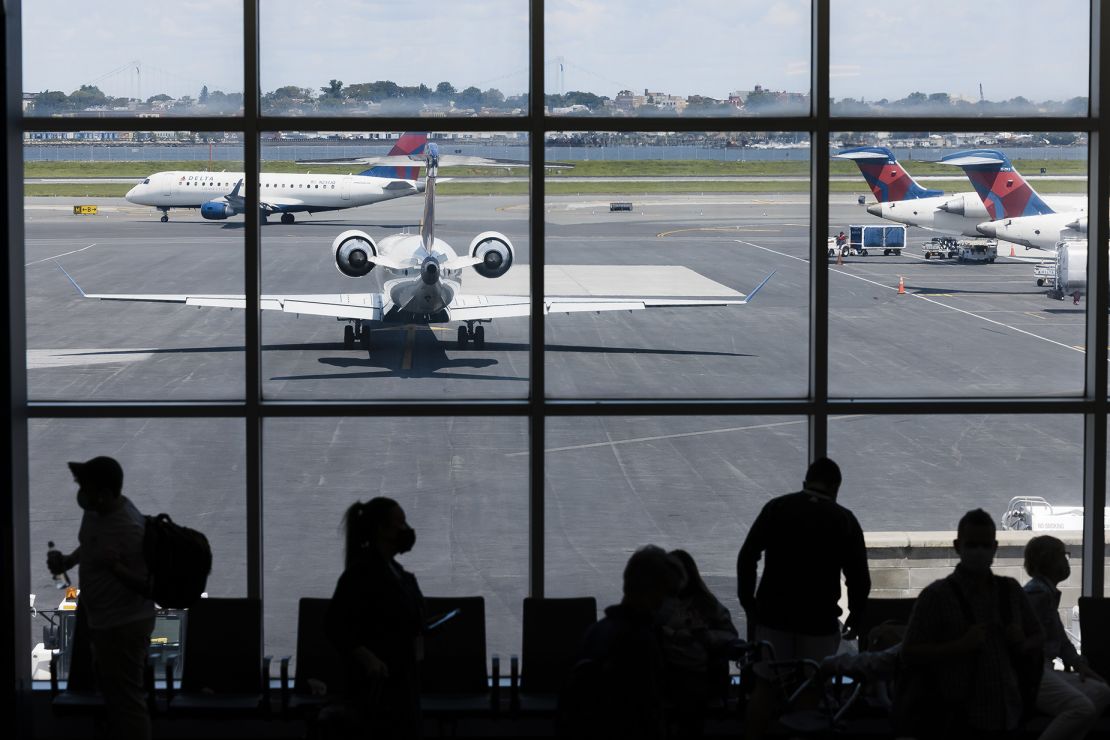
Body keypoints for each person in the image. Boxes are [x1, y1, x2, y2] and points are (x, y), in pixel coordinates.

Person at [736, 457, 870, 740]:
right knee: (809, 688)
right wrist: (856, 616)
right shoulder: (844, 519)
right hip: (818, 620)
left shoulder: (777, 508)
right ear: (836, 487)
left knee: (765, 685)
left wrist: (749, 603)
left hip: (773, 615)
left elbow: (748, 556)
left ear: (805, 482)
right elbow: (859, 577)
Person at [895, 508, 1043, 740]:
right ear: (958, 546)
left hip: (1007, 712)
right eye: (973, 545)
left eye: (984, 545)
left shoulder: (1010, 590)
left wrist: (1022, 642)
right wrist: (960, 646)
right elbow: (909, 653)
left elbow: (1038, 636)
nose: (979, 552)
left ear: (994, 548)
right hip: (962, 718)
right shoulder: (936, 597)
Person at [46, 456, 155, 740]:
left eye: (85, 487)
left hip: (124, 626)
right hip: (102, 623)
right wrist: (68, 561)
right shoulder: (97, 511)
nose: (81, 493)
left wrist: (115, 568)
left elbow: (147, 586)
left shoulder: (129, 528)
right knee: (115, 700)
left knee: (128, 704)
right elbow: (90, 544)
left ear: (104, 494)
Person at [325, 498, 425, 740]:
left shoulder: (397, 573)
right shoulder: (360, 575)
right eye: (400, 523)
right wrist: (368, 658)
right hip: (377, 692)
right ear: (381, 529)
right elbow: (336, 626)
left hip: (401, 684)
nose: (406, 529)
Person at [562, 545, 683, 739]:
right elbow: (648, 716)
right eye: (670, 594)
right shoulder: (640, 643)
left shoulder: (596, 631)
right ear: (651, 592)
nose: (673, 604)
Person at [1023, 535, 1110, 740]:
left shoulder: (1044, 593)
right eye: (1062, 555)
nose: (1066, 560)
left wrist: (1080, 665)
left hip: (1041, 670)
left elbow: (1060, 640)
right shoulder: (1038, 595)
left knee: (1102, 691)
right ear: (1050, 561)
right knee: (1083, 708)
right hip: (1032, 673)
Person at [660, 549, 739, 736]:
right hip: (664, 669)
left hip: (697, 671)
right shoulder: (658, 603)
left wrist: (706, 637)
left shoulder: (706, 604)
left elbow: (730, 635)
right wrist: (669, 634)